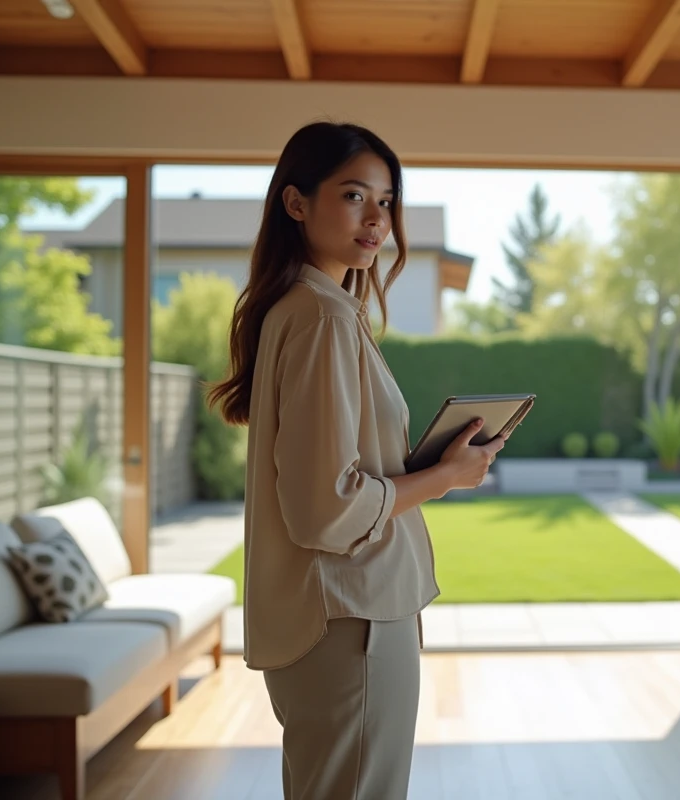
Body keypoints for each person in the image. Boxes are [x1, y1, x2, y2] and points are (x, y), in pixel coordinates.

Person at [208, 121, 506, 799]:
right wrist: (442, 477)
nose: (377, 219)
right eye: (353, 196)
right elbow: (326, 507)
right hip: (351, 622)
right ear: (296, 204)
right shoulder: (321, 317)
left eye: (386, 200)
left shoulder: (310, 310)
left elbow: (335, 479)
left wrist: (427, 467)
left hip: (341, 622)